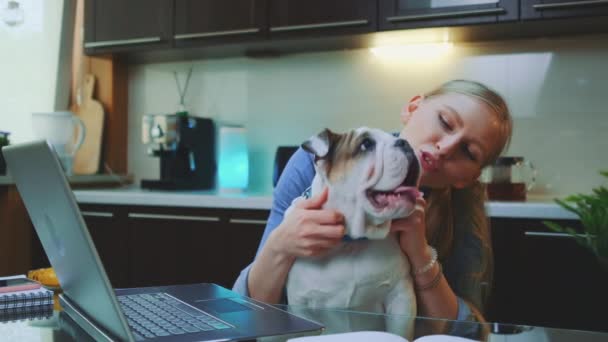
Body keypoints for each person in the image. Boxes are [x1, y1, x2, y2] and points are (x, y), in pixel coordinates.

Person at [233, 79, 513, 322]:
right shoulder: (322, 160)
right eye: (445, 122)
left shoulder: (462, 203)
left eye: (468, 151)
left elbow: (467, 330)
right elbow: (250, 312)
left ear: (470, 176)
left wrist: (421, 256)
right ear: (413, 107)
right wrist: (281, 245)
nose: (445, 147)